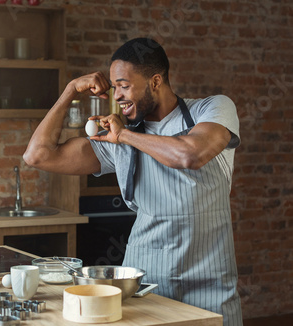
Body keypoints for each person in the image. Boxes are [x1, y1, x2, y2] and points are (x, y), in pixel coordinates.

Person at [23, 37, 243, 326]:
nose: (118, 96)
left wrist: (124, 136)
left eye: (124, 86)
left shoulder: (212, 110)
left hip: (209, 285)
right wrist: (69, 91)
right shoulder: (119, 137)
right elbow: (38, 156)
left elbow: (191, 154)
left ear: (155, 81)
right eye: (114, 87)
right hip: (145, 285)